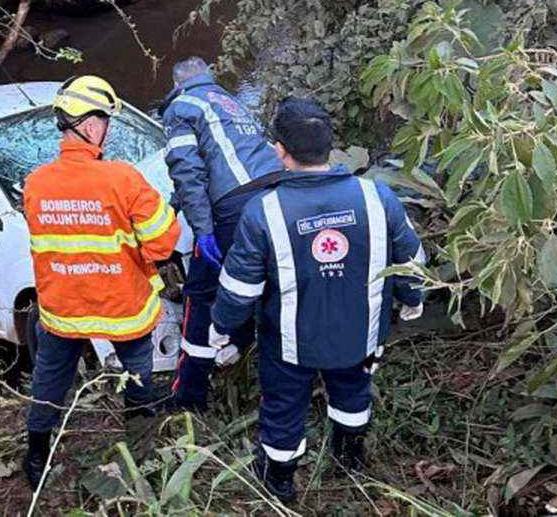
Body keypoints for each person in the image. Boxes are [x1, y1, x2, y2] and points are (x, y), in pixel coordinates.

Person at [208, 98, 426, 502]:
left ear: (280, 150)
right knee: (353, 395)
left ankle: (280, 483)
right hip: (360, 336)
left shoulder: (263, 211)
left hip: (290, 346)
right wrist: (413, 299)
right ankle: (350, 459)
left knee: (283, 411)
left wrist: (222, 329)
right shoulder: (378, 197)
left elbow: (240, 290)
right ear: (331, 145)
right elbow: (412, 262)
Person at [21, 75, 182, 491]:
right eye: (106, 122)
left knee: (49, 380)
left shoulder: (35, 184)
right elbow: (164, 244)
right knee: (138, 377)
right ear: (91, 127)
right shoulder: (123, 179)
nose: (107, 130)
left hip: (63, 312)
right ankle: (140, 453)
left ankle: (36, 456)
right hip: (123, 308)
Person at [161, 57, 282, 410]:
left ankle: (189, 396)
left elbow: (187, 171)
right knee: (259, 282)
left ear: (177, 83)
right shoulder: (230, 102)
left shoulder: (180, 108)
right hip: (275, 194)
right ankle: (242, 355)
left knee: (200, 296)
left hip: (233, 207)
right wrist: (174, 205)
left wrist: (203, 231)